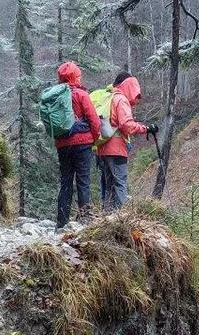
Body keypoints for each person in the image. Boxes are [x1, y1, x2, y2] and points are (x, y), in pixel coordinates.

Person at [96, 71, 158, 210]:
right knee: (119, 183)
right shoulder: (121, 99)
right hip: (116, 149)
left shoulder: (110, 97)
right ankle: (121, 218)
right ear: (130, 86)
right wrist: (145, 128)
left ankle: (107, 217)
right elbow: (126, 125)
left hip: (102, 149)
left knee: (109, 185)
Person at [53, 61, 101, 228]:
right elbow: (94, 120)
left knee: (66, 181)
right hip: (82, 144)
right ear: (75, 77)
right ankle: (85, 219)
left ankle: (61, 222)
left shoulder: (56, 96)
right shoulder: (81, 95)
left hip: (62, 145)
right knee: (83, 180)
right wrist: (95, 139)